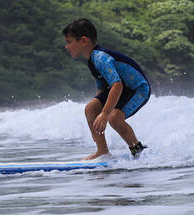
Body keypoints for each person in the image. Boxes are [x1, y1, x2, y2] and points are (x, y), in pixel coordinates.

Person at [62, 18, 149, 161]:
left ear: (84, 41)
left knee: (114, 118)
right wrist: (96, 118)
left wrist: (104, 113)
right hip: (122, 87)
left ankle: (137, 151)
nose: (67, 46)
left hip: (138, 88)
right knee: (90, 108)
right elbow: (102, 89)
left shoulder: (100, 58)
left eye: (69, 42)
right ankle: (102, 151)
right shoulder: (92, 60)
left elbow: (117, 85)